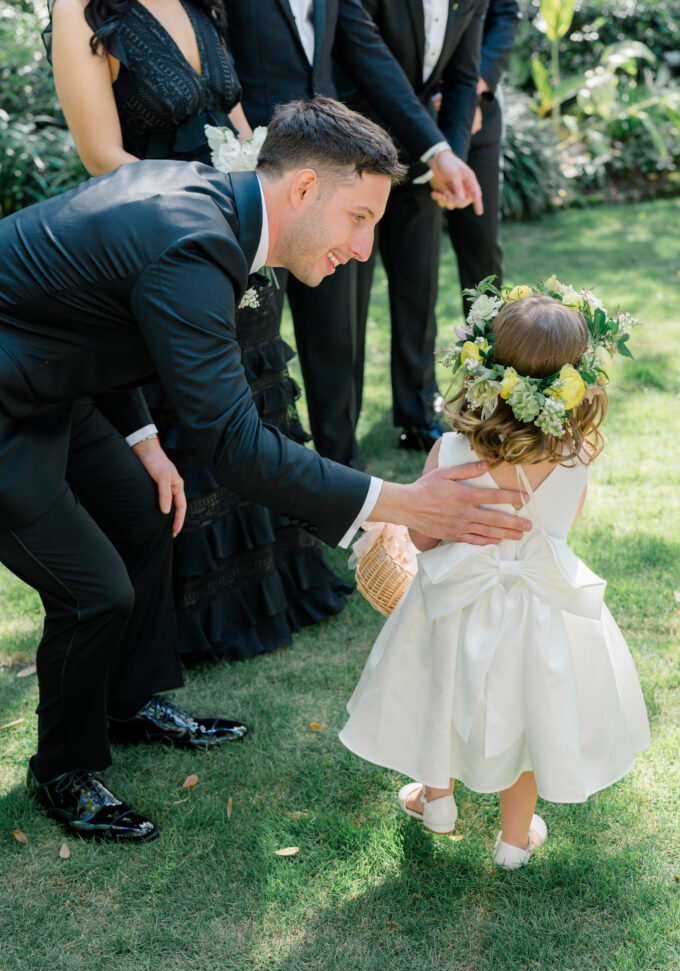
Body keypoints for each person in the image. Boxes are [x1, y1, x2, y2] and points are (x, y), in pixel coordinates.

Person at [0, 97, 531, 842]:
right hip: (7, 400)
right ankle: (61, 769)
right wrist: (400, 503)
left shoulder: (208, 211)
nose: (363, 246)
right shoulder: (192, 243)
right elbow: (236, 446)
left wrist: (144, 439)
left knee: (145, 509)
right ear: (303, 190)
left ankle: (129, 700)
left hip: (50, 373)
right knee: (94, 592)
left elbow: (92, 308)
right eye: (358, 217)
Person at [45, 0, 352, 666]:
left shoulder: (197, 4)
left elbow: (241, 127)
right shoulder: (79, 9)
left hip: (235, 232)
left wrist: (262, 217)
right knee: (188, 410)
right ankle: (193, 618)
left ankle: (275, 587)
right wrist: (205, 216)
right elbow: (102, 156)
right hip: (163, 241)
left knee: (251, 395)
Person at [340, 283, 650, 868]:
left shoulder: (453, 453)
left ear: (486, 367)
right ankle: (513, 842)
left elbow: (425, 536)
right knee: (528, 721)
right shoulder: (575, 458)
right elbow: (559, 528)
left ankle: (437, 803)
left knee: (443, 694)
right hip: (540, 611)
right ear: (573, 381)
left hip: (454, 603)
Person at [225, 0, 483, 468]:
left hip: (335, 170)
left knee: (337, 332)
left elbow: (368, 53)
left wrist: (438, 150)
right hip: (259, 174)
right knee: (252, 338)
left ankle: (344, 469)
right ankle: (256, 472)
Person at [339, 0, 487, 453]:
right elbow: (372, 64)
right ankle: (341, 433)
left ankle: (418, 415)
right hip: (355, 150)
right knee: (347, 298)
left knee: (418, 289)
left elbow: (463, 77)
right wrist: (437, 151)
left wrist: (450, 158)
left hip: (423, 159)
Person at [447, 0, 519, 312]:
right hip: (410, 109)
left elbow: (505, 15)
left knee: (483, 250)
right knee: (413, 268)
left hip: (481, 116)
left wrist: (470, 93)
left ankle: (488, 357)